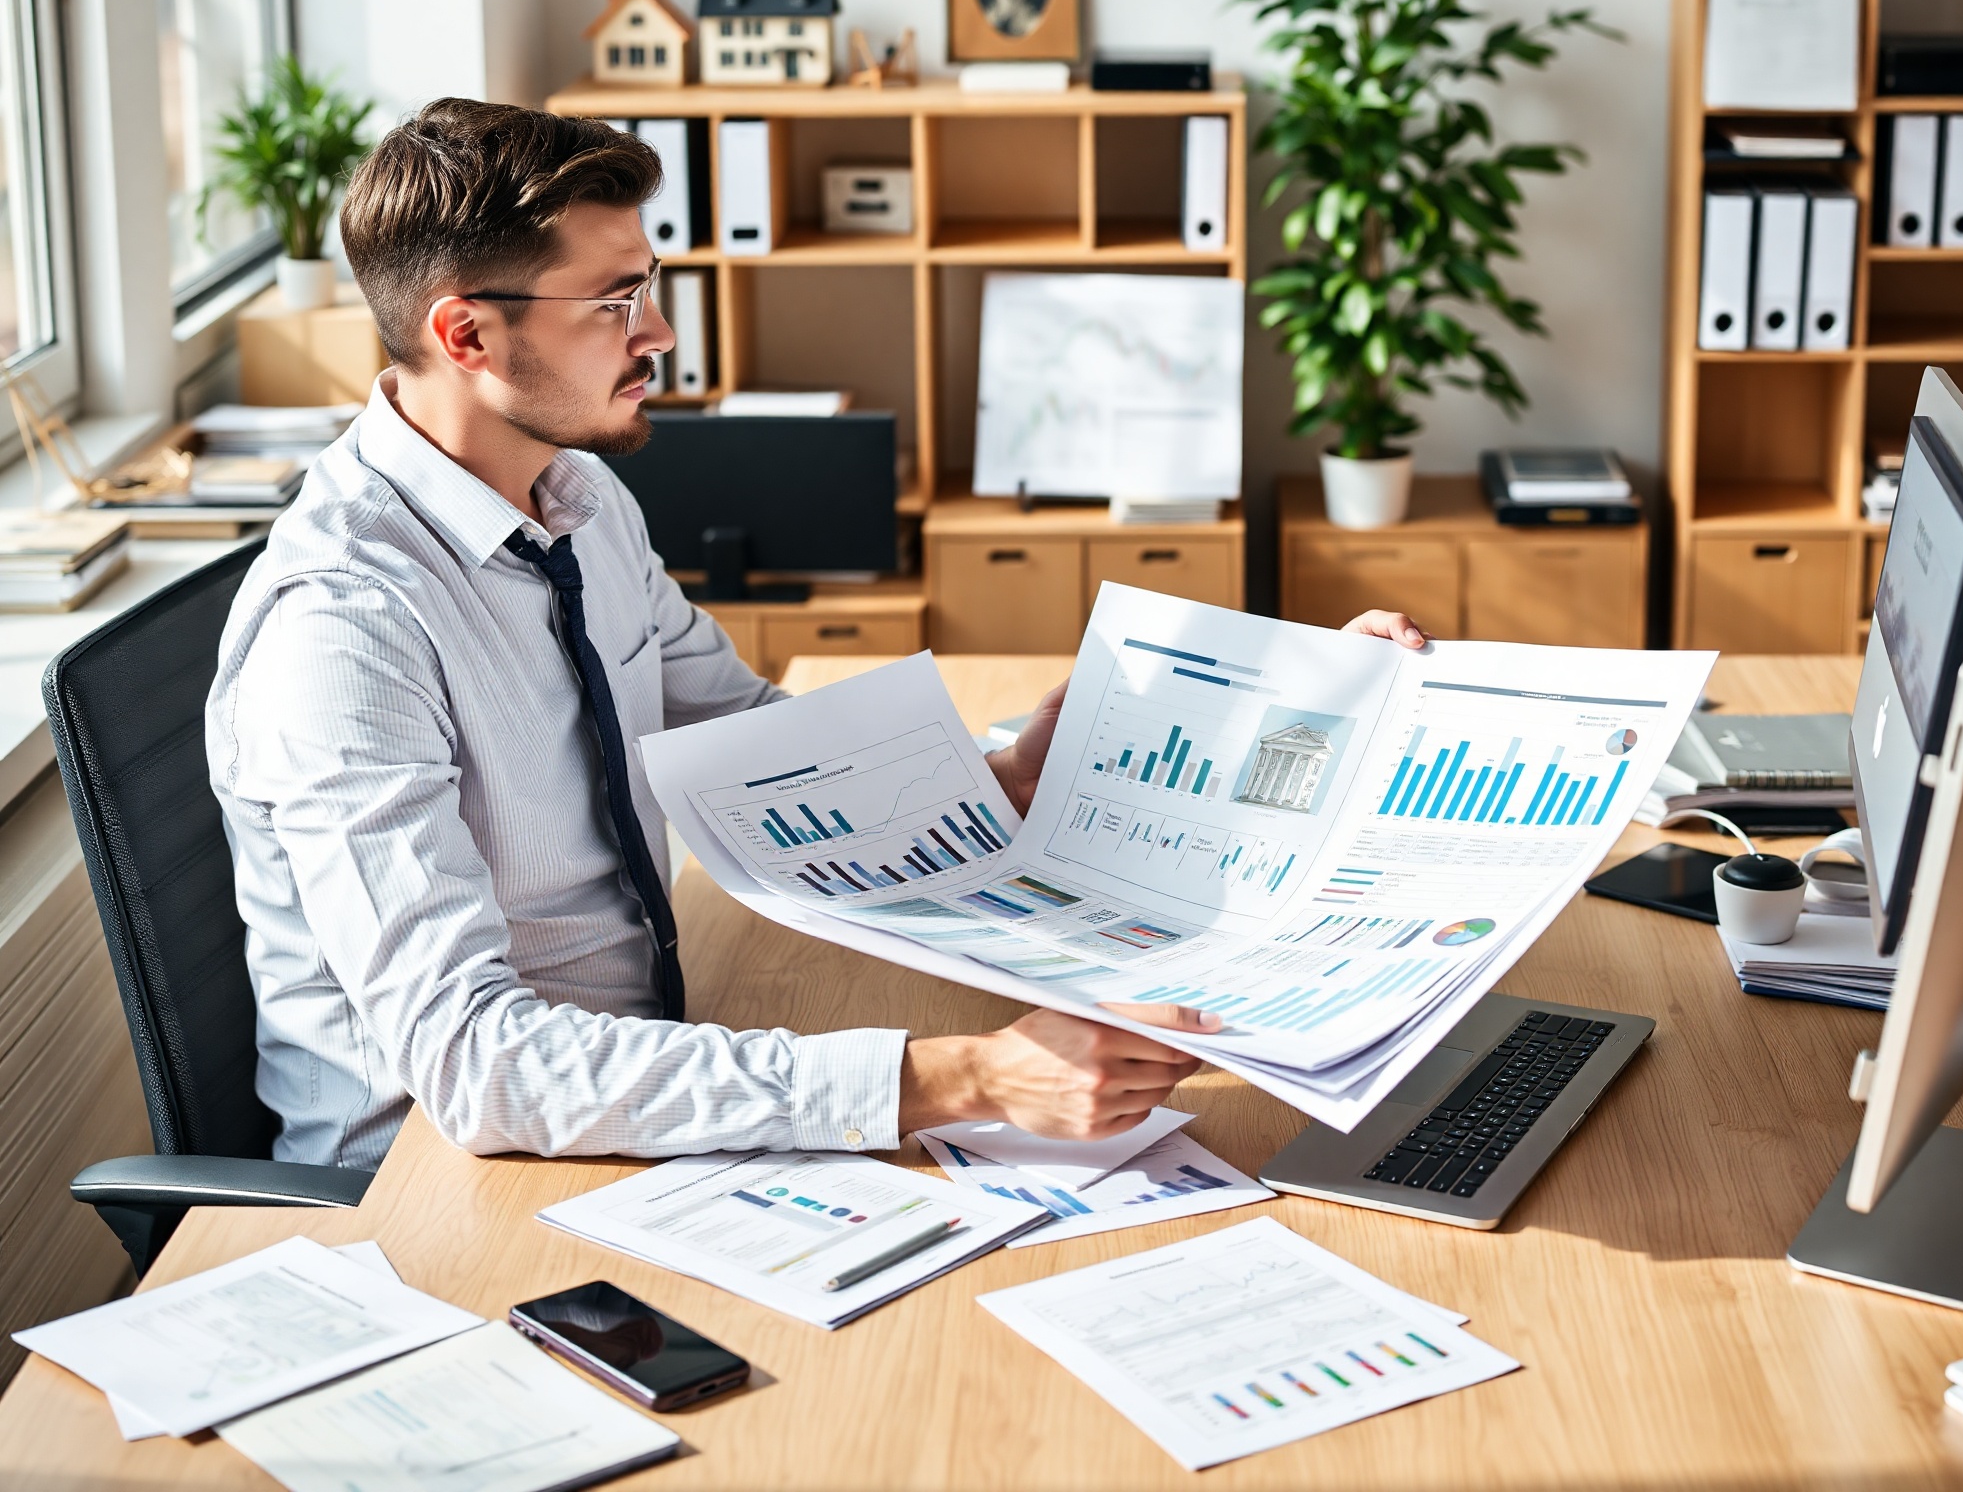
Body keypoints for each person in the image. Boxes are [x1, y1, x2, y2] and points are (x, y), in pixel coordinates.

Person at [207, 99, 1426, 1170]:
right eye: (614, 302)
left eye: (653, 286)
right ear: (464, 334)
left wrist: (1010, 770)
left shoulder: (575, 499)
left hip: (649, 1062)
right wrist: (962, 1076)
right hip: (443, 1179)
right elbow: (475, 1063)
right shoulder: (343, 634)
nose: (660, 333)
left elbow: (754, 743)